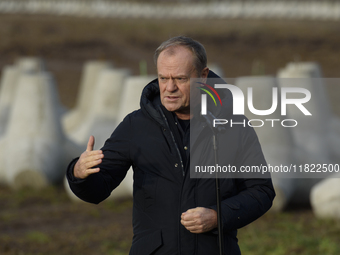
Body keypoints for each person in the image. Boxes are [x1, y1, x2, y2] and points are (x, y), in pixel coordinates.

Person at [66, 36, 275, 255]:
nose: (169, 87)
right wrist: (80, 174)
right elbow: (97, 190)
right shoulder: (135, 126)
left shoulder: (235, 126)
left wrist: (218, 216)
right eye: (163, 78)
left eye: (180, 79)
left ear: (203, 76)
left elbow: (261, 191)